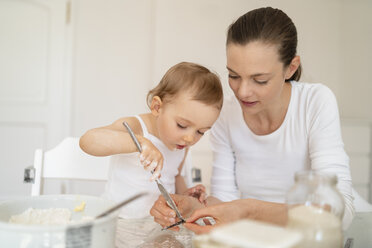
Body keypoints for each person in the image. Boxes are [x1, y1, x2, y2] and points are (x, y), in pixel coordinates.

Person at [150, 7, 354, 234]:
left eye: (260, 80)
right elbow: (225, 203)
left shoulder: (315, 102)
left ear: (291, 68)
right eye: (234, 76)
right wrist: (194, 208)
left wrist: (249, 210)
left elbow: (337, 210)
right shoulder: (226, 113)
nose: (243, 92)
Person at [79, 62, 223, 245]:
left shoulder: (180, 145)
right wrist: (139, 142)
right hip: (119, 223)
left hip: (158, 227)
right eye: (182, 125)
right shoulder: (136, 127)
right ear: (157, 107)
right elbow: (88, 141)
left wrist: (185, 196)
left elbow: (174, 177)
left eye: (200, 132)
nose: (189, 138)